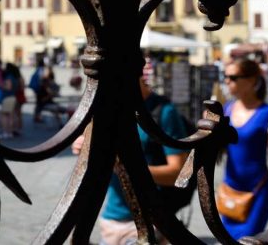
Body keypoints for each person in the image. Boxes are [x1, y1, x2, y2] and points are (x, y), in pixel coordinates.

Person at [72, 62, 191, 245]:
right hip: (111, 217)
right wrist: (84, 145)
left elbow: (177, 173)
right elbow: (92, 143)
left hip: (150, 218)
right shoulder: (110, 107)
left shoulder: (164, 112)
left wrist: (120, 166)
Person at [220, 58, 268, 240]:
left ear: (252, 80)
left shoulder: (267, 113)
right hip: (230, 187)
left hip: (257, 189)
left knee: (250, 240)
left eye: (233, 77)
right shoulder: (227, 109)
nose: (227, 81)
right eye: (226, 76)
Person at [0, 63, 21, 139]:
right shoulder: (15, 77)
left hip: (7, 97)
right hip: (13, 97)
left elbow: (8, 87)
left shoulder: (9, 77)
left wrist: (1, 85)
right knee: (11, 116)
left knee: (5, 116)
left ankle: (6, 132)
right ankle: (10, 132)